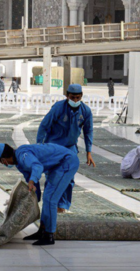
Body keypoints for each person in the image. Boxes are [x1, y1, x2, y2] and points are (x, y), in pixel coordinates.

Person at [0, 142, 79, 246]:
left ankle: (49, 235)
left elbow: (37, 166)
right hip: (57, 165)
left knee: (50, 199)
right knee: (47, 197)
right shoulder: (19, 163)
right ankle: (42, 231)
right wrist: (29, 199)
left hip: (67, 161)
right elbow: (33, 187)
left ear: (3, 160)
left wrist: (32, 181)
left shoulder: (23, 155)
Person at [36, 83, 95, 213]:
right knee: (52, 177)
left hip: (70, 148)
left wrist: (88, 152)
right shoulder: (58, 108)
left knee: (68, 178)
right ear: (67, 96)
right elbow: (44, 126)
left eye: (78, 98)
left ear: (81, 97)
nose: (75, 100)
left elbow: (88, 132)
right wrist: (39, 147)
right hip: (53, 147)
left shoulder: (85, 111)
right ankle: (50, 206)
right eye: (72, 97)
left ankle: (61, 207)